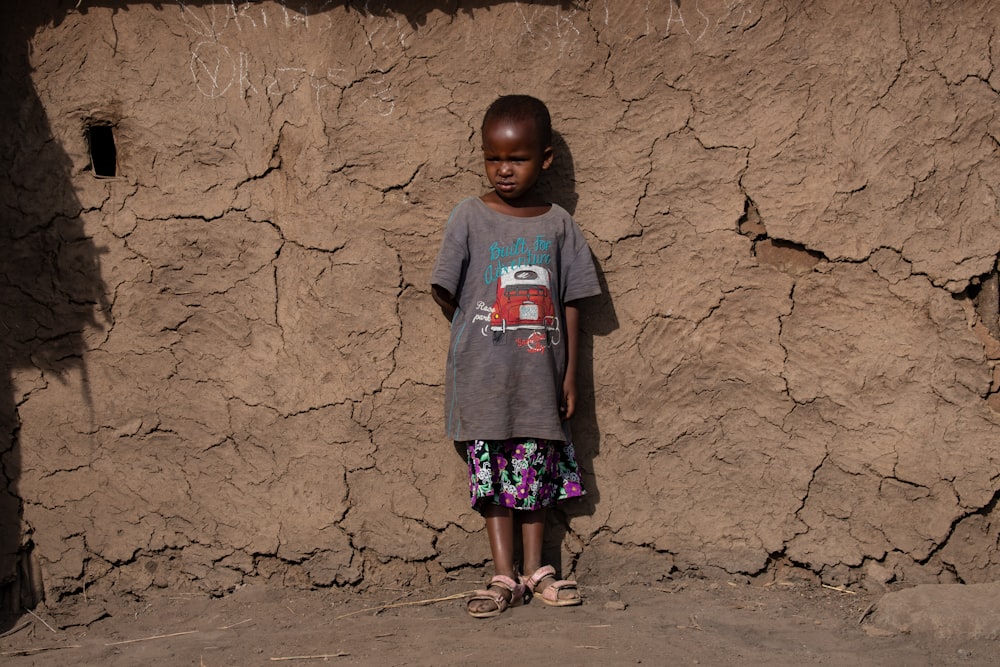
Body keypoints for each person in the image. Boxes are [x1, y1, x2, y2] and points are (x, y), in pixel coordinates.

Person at [430, 95, 601, 618]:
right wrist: (481, 327)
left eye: (518, 159)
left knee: (534, 474)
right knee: (493, 481)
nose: (504, 170)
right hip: (482, 377)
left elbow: (571, 301)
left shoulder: (558, 225)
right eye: (493, 158)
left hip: (539, 380)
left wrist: (569, 373)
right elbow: (445, 288)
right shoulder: (469, 216)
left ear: (544, 159)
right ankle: (504, 575)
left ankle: (538, 570)